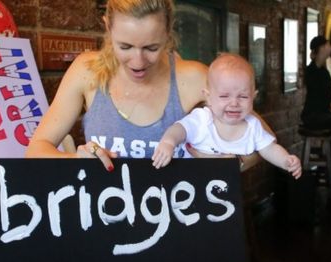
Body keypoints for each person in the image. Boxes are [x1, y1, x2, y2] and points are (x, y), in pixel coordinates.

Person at [24, 0, 208, 170]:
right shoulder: (87, 71)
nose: (138, 62)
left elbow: (237, 142)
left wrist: (234, 161)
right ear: (108, 27)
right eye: (125, 47)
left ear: (168, 31)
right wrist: (75, 161)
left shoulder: (195, 78)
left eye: (151, 48)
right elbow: (35, 151)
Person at [151, 53, 302, 179]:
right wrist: (168, 142)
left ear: (253, 97)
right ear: (208, 97)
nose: (234, 103)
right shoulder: (203, 119)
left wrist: (286, 160)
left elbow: (269, 148)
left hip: (225, 194)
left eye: (243, 97)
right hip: (190, 186)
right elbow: (180, 129)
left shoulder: (252, 126)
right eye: (224, 96)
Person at [301, 35, 331, 130]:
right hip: (313, 116)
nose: (330, 47)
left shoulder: (323, 71)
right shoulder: (311, 71)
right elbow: (317, 95)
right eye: (328, 45)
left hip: (322, 113)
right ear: (322, 48)